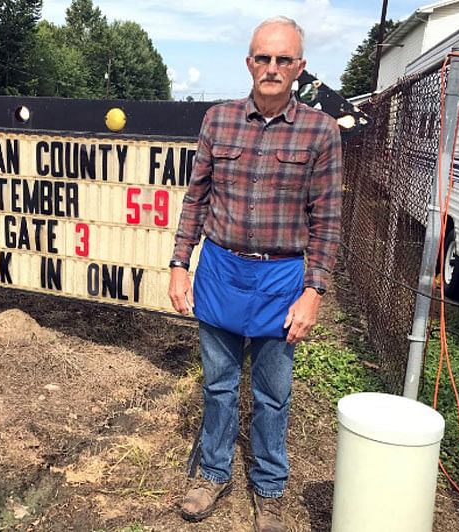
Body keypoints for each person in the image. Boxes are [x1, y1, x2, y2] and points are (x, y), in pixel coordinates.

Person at [167, 16, 342, 531]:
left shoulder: (321, 131)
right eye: (262, 58)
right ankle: (213, 472)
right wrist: (180, 264)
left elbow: (327, 219)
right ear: (248, 62)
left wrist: (313, 292)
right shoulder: (217, 121)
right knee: (218, 386)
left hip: (281, 277)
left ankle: (269, 487)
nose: (271, 68)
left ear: (300, 67)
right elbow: (195, 198)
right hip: (220, 269)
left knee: (273, 393)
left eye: (283, 59)